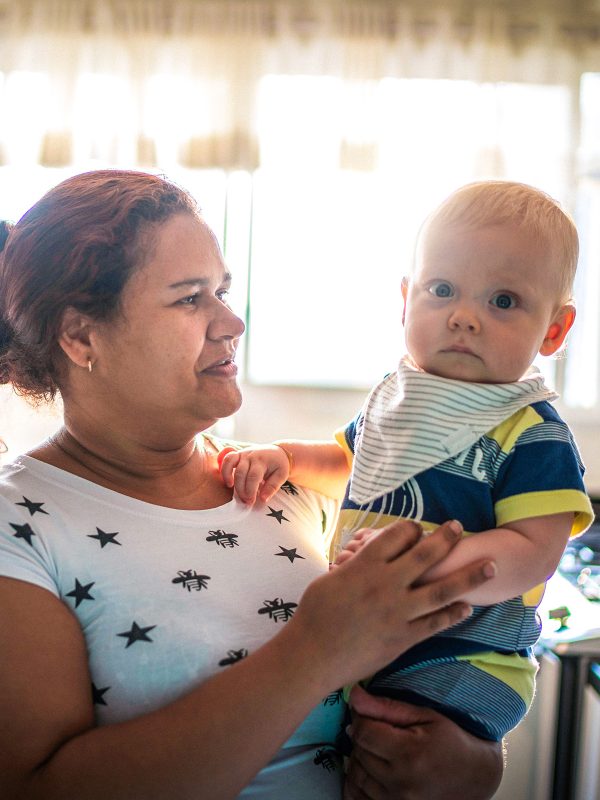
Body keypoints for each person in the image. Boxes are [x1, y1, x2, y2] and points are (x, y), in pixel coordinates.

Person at [0, 169, 503, 800]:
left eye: (223, 291)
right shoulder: (19, 525)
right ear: (80, 336)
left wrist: (474, 763)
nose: (231, 323)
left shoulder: (279, 484)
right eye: (190, 298)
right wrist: (313, 648)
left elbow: (426, 684)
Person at [220, 180, 595, 744]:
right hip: (371, 644)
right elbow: (354, 463)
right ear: (404, 300)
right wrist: (287, 457)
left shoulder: (531, 433)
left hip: (459, 662)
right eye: (442, 289)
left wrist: (419, 564)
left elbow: (531, 554)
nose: (464, 317)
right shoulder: (400, 395)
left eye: (502, 301)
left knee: (391, 756)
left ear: (555, 330)